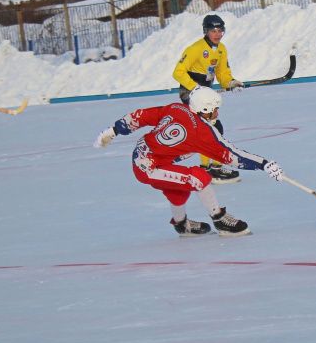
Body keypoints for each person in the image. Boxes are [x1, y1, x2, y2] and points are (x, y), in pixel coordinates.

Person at [93, 88, 284, 236]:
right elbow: (231, 155)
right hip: (149, 167)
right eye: (215, 110)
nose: (217, 114)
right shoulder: (202, 133)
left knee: (178, 189)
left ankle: (182, 225)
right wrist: (263, 163)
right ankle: (219, 219)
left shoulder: (177, 108)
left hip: (145, 153)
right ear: (205, 108)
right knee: (199, 178)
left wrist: (114, 130)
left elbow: (142, 116)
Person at [172, 14, 245, 183]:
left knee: (213, 129)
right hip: (190, 92)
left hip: (205, 91)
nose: (217, 34)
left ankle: (212, 167)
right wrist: (195, 88)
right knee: (211, 129)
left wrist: (231, 82)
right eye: (213, 30)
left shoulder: (221, 49)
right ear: (206, 31)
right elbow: (178, 72)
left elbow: (222, 74)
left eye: (220, 30)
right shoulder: (195, 49)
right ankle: (209, 169)